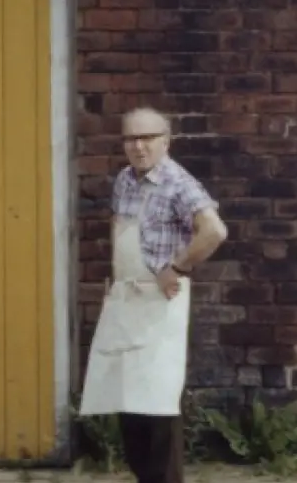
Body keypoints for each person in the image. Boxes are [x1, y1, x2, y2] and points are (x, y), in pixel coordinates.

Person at [78, 106, 229, 483]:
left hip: (160, 306)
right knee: (127, 404)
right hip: (126, 301)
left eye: (148, 138)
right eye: (131, 138)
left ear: (166, 141)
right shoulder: (124, 181)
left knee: (157, 409)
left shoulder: (179, 183)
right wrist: (110, 289)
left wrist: (176, 267)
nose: (139, 146)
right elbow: (120, 235)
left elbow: (214, 230)